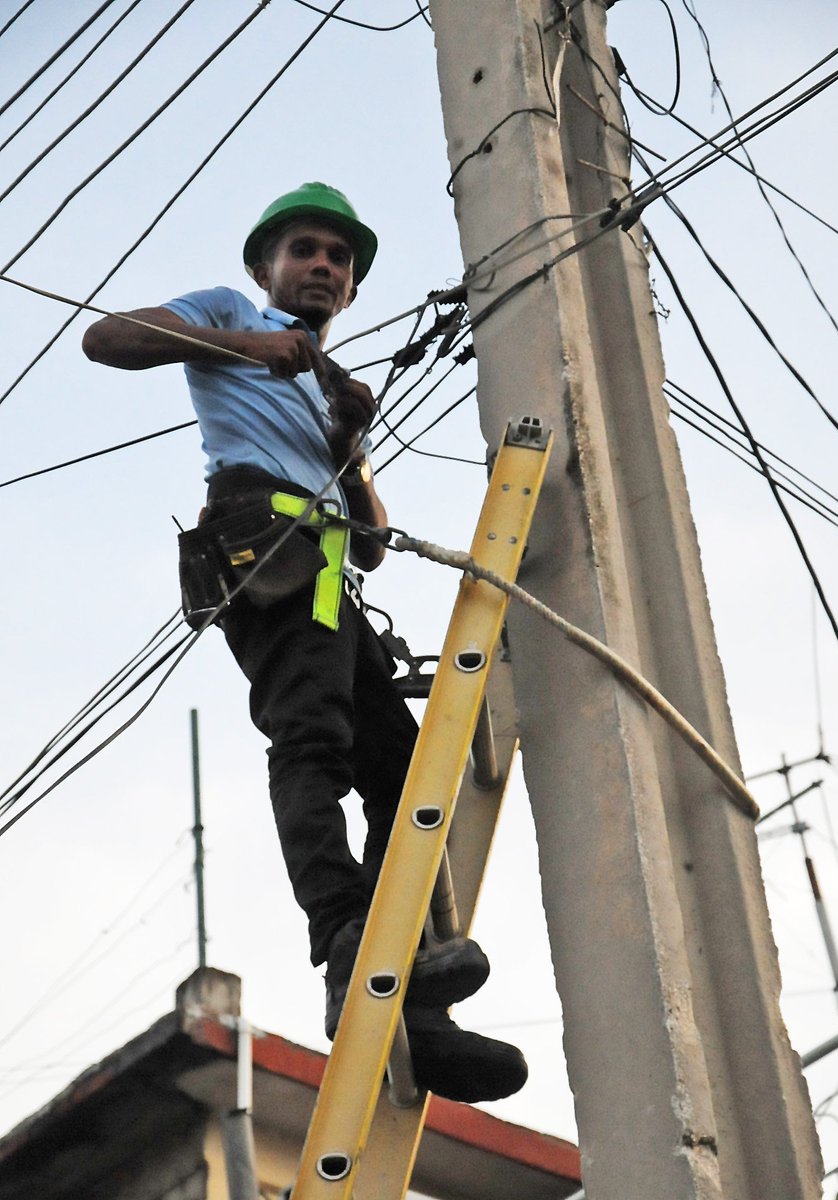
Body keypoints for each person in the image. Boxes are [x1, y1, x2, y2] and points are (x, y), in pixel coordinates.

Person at [82, 183, 527, 1104]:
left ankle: (412, 1001)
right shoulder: (230, 315)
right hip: (265, 547)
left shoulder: (325, 387)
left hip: (328, 572)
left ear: (352, 290)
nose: (323, 266)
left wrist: (349, 443)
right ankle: (344, 934)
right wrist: (252, 347)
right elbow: (106, 339)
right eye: (306, 251)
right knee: (311, 736)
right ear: (265, 269)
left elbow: (371, 543)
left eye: (339, 259)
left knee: (405, 770)